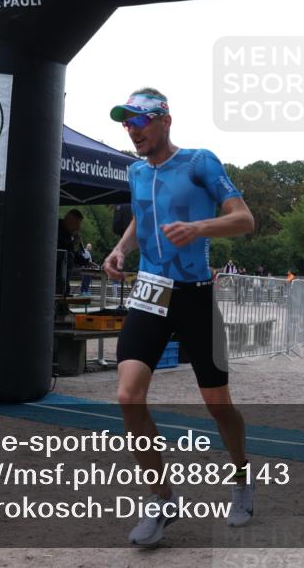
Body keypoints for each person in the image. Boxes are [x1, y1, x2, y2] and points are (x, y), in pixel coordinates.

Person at [102, 87, 256, 546]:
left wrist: (199, 228)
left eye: (139, 121)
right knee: (129, 397)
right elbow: (141, 217)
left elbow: (244, 219)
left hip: (194, 293)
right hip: (151, 291)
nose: (132, 130)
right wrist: (121, 247)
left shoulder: (198, 162)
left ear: (164, 120)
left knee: (217, 404)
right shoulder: (134, 170)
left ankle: (243, 478)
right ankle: (162, 500)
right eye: (126, 123)